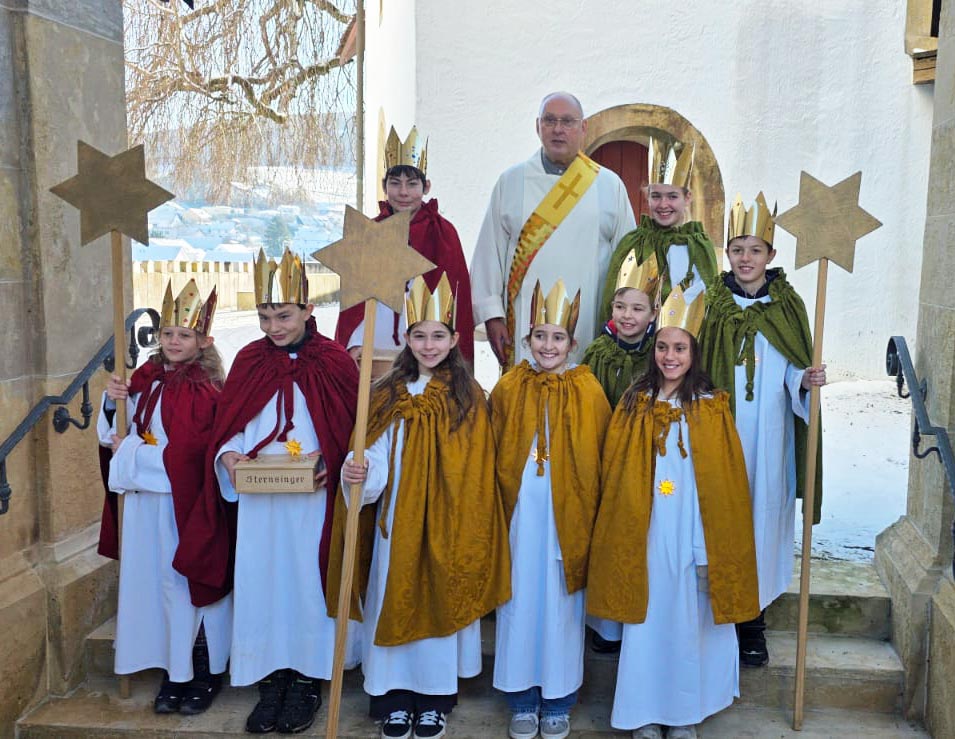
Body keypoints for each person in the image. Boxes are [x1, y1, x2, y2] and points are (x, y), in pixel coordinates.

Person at [332, 272, 510, 739]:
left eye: (438, 336)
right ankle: (392, 698)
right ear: (406, 338)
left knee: (439, 598)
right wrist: (362, 473)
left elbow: (475, 470)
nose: (429, 345)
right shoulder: (385, 393)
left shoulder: (470, 397)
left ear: (454, 338)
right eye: (419, 335)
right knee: (393, 595)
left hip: (450, 522)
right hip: (396, 521)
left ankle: (434, 700)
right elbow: (372, 451)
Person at [197, 248, 358, 734]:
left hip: (313, 500)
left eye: (283, 316)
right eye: (264, 316)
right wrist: (229, 454)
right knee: (264, 582)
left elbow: (350, 426)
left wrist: (336, 460)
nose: (273, 326)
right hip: (262, 499)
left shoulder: (332, 361)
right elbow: (235, 422)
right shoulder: (249, 359)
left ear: (309, 310)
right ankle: (271, 679)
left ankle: (308, 677)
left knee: (307, 584)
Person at [587, 287, 760, 739]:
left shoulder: (712, 407)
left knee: (690, 626)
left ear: (694, 352)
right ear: (653, 348)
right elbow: (617, 473)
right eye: (662, 346)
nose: (669, 356)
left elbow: (726, 489)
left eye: (680, 348)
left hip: (692, 538)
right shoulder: (633, 402)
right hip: (645, 536)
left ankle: (684, 715)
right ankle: (643, 711)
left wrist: (710, 545)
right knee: (648, 627)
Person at [697, 193, 826, 667]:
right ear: (726, 254)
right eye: (737, 249)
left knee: (762, 523)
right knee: (719, 521)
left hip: (770, 441)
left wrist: (804, 380)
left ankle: (753, 622)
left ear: (771, 255)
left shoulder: (787, 306)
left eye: (755, 249)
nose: (745, 259)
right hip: (722, 437)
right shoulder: (710, 305)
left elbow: (792, 368)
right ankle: (715, 616)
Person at [96, 279, 231, 716]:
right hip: (142, 507)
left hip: (183, 509)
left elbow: (192, 456)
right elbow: (111, 436)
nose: (174, 341)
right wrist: (116, 404)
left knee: (183, 585)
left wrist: (133, 453)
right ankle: (172, 672)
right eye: (168, 332)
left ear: (203, 340)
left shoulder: (207, 390)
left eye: (184, 335)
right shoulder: (145, 379)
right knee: (150, 586)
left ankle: (202, 672)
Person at [489, 279, 612, 739]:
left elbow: (600, 456)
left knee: (562, 608)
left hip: (567, 521)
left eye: (557, 337)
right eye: (539, 336)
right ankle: (521, 699)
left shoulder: (589, 390)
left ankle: (558, 700)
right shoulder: (508, 388)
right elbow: (492, 448)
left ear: (572, 343)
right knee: (518, 602)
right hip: (520, 520)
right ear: (526, 340)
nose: (547, 345)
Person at [470, 91, 635, 368]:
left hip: (589, 327)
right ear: (538, 127)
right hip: (523, 326)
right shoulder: (511, 182)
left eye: (568, 121)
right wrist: (493, 316)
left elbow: (627, 260)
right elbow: (490, 253)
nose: (558, 129)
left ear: (583, 128)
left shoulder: (609, 185)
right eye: (550, 120)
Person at [335, 126, 474, 366]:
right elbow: (354, 304)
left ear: (426, 187)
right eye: (395, 183)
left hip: (427, 352)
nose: (403, 192)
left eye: (412, 184)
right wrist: (355, 341)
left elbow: (455, 297)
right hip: (375, 348)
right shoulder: (369, 233)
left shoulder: (444, 234)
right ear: (384, 185)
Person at [598, 137, 717, 327]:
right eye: (656, 196)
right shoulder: (633, 242)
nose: (663, 204)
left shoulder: (698, 246)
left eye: (672, 196)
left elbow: (710, 305)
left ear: (687, 198)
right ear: (647, 197)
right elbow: (610, 301)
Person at [583, 251, 661, 408]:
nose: (627, 315)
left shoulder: (656, 354)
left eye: (637, 309)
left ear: (653, 314)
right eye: (620, 307)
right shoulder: (599, 353)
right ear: (612, 308)